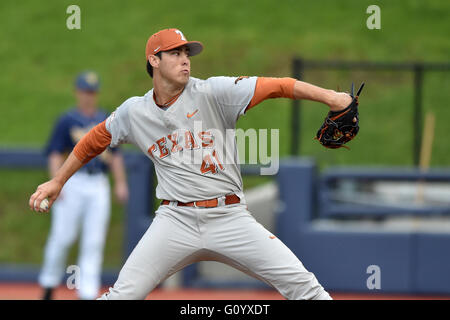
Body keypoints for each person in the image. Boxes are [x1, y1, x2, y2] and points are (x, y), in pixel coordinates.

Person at [30, 29, 354, 300]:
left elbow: (279, 85)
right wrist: (58, 181)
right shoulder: (134, 112)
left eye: (187, 52)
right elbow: (93, 140)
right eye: (174, 53)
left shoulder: (214, 92)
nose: (185, 58)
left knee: (305, 288)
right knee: (121, 296)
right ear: (153, 60)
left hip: (229, 217)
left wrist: (333, 98)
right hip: (175, 220)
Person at [37, 71, 129, 300]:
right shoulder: (67, 120)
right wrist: (56, 183)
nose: (89, 96)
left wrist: (120, 183)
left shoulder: (105, 119)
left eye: (92, 92)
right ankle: (48, 285)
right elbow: (55, 153)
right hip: (72, 182)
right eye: (85, 91)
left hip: (97, 182)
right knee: (62, 237)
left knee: (94, 240)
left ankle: (87, 293)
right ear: (77, 92)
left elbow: (115, 154)